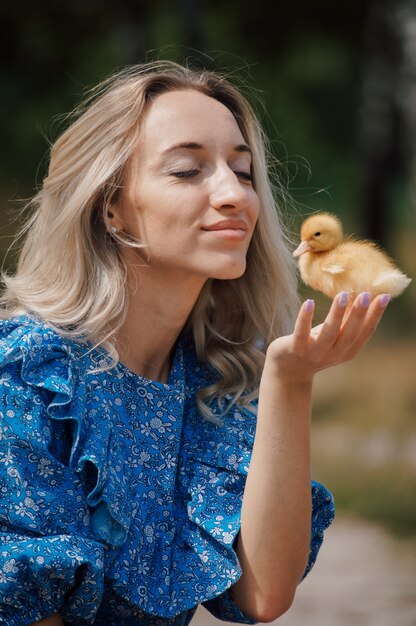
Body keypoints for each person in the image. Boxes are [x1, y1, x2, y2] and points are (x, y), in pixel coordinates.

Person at [0, 61, 389, 626]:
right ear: (110, 207)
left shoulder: (206, 377)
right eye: (187, 171)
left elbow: (262, 594)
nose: (234, 195)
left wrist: (291, 378)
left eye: (244, 169)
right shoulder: (28, 375)